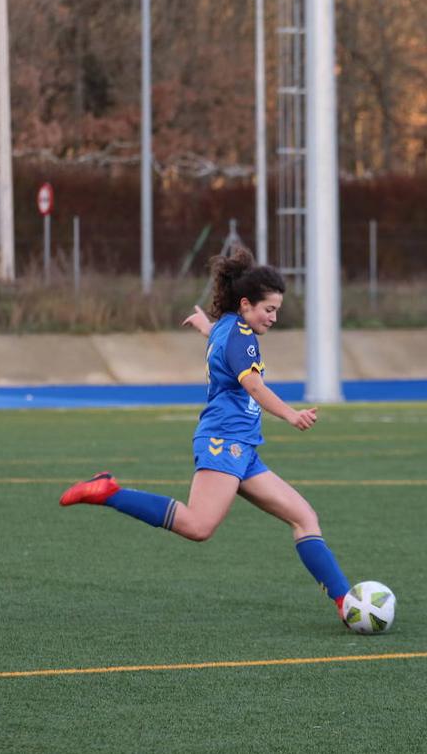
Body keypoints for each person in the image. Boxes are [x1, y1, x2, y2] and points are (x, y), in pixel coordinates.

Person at [59, 245, 353, 623]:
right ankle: (109, 492)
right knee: (198, 525)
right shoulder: (242, 336)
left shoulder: (228, 327)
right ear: (246, 304)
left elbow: (222, 341)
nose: (274, 317)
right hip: (224, 442)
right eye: (268, 309)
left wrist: (205, 328)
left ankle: (345, 602)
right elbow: (255, 387)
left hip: (242, 448)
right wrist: (291, 415)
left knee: (304, 517)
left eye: (277, 310)